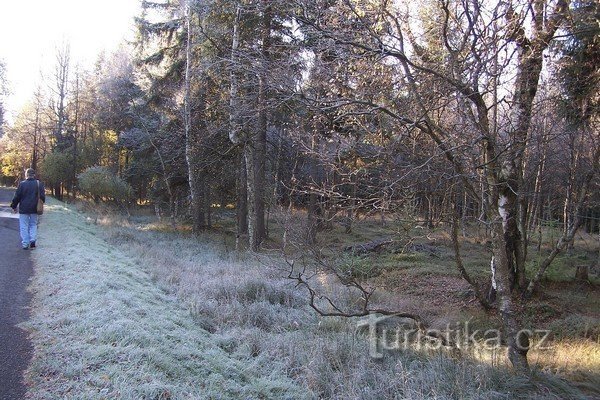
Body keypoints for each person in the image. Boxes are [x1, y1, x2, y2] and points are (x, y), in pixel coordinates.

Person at [10, 168, 45, 250]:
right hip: (35, 208)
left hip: (24, 209)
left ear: (26, 175)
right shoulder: (39, 184)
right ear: (34, 175)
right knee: (33, 225)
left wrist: (14, 206)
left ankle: (25, 243)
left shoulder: (22, 184)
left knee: (23, 226)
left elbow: (17, 196)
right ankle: (33, 241)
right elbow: (43, 197)